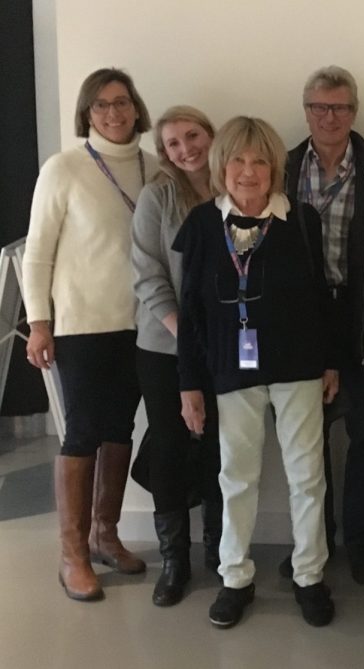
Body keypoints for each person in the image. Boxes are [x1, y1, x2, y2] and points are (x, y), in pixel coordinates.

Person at [175, 116, 342, 629]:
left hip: (298, 367)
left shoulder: (303, 221)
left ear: (275, 168)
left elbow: (322, 299)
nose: (249, 171)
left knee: (307, 476)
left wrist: (331, 361)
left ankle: (310, 576)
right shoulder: (203, 225)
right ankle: (235, 578)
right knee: (237, 477)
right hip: (231, 368)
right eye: (239, 160)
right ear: (223, 165)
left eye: (260, 161)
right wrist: (188, 384)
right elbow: (191, 310)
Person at [24, 67, 158, 601]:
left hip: (140, 324)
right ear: (86, 112)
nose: (113, 112)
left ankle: (106, 533)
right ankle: (72, 553)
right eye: (101, 104)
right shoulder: (64, 168)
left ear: (135, 107)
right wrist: (39, 323)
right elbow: (38, 252)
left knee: (121, 428)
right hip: (79, 326)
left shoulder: (154, 168)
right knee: (81, 432)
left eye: (122, 101)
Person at [283, 66, 364, 585]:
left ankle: (357, 539)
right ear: (305, 109)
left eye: (340, 108)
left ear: (354, 111)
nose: (329, 117)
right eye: (319, 107)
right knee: (305, 442)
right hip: (301, 321)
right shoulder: (283, 166)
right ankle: (315, 542)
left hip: (359, 318)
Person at [131, 105, 222, 606]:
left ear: (211, 134)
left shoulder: (236, 186)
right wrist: (188, 336)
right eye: (172, 143)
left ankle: (219, 554)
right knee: (169, 447)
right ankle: (175, 563)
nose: (185, 148)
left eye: (193, 136)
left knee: (218, 448)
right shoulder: (157, 197)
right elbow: (147, 275)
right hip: (164, 348)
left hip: (225, 349)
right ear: (163, 152)